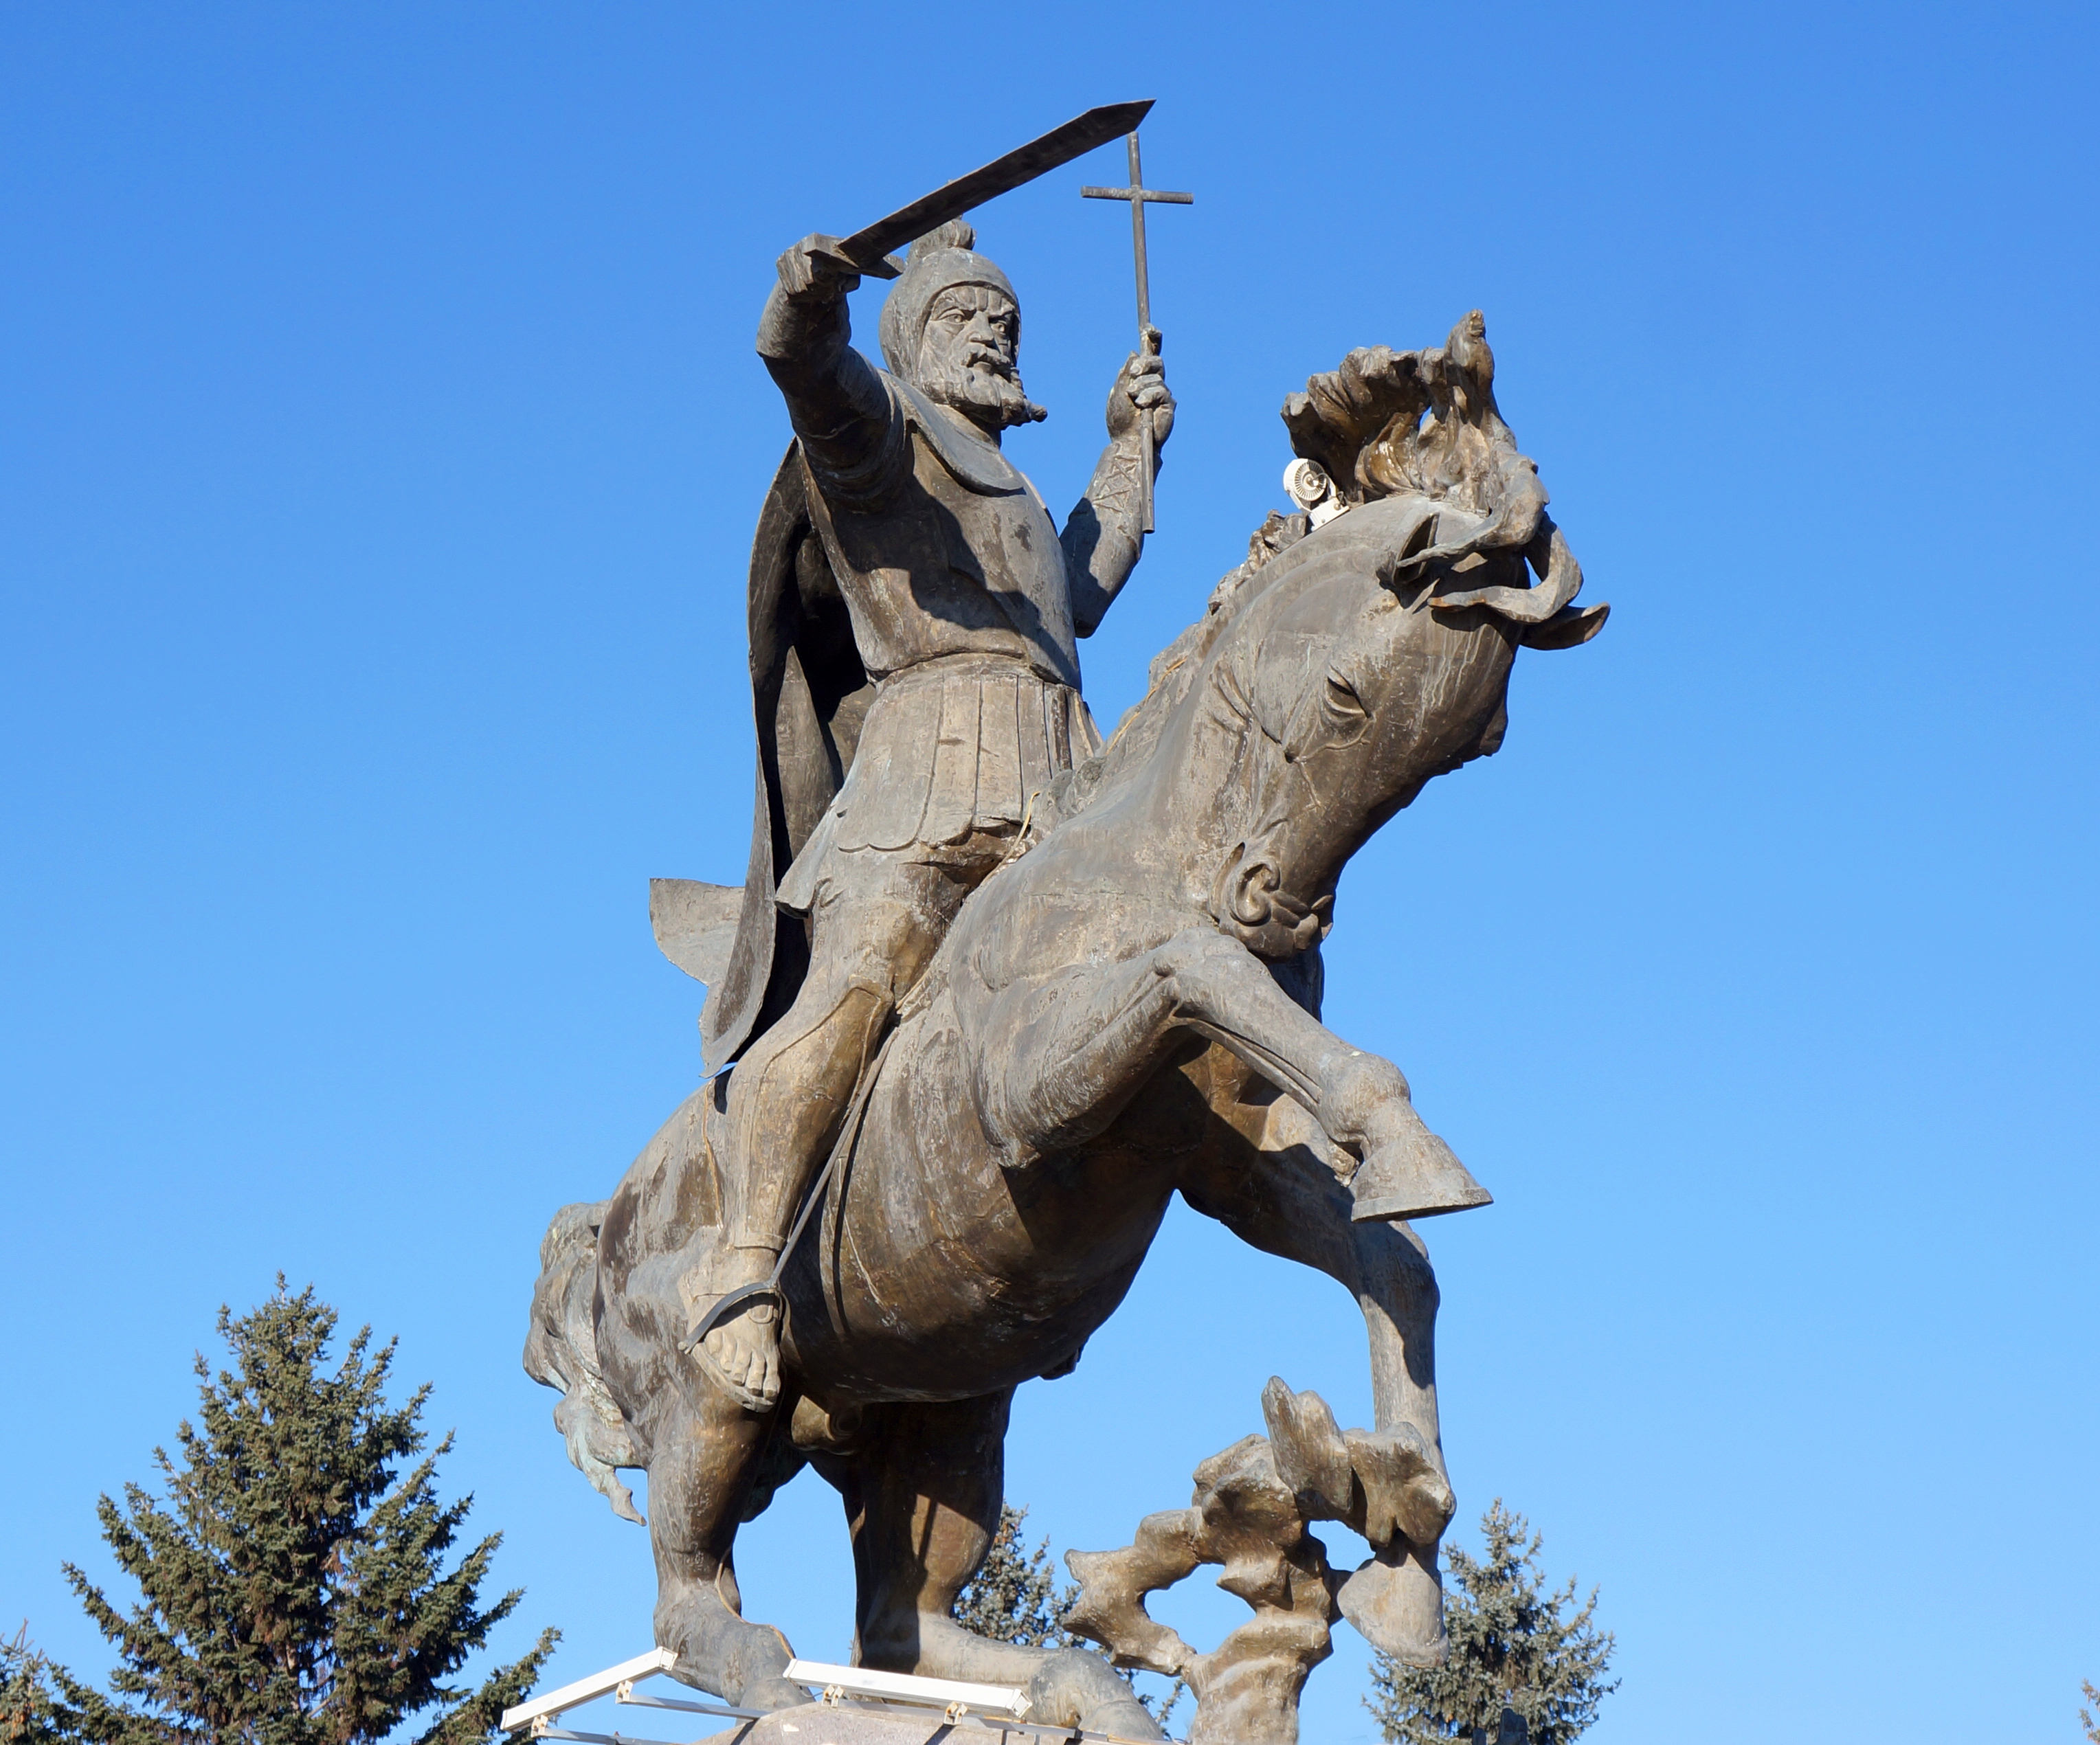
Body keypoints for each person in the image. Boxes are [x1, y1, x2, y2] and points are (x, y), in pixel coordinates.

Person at [693, 219, 1174, 1411]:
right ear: (912, 339)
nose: (994, 333)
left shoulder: (1013, 480)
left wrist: (1130, 449)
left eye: (1005, 320)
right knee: (858, 988)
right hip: (927, 782)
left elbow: (1077, 594)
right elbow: (811, 379)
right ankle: (745, 1271)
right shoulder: (885, 440)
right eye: (966, 316)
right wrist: (806, 309)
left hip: (1060, 777)